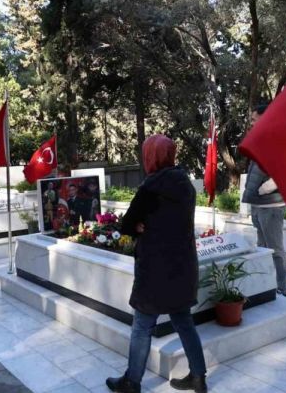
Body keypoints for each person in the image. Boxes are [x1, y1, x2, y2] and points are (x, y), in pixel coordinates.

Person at [106, 135, 207, 393]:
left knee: (142, 326)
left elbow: (127, 224)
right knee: (184, 322)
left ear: (151, 156)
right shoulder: (186, 184)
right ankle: (198, 378)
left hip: (155, 270)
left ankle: (132, 382)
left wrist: (140, 225)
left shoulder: (151, 187)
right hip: (182, 267)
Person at [242, 102, 286, 297]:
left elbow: (283, 172)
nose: (252, 123)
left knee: (275, 249)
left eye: (254, 119)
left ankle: (282, 287)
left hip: (271, 205)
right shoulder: (262, 139)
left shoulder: (276, 139)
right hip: (259, 205)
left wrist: (261, 190)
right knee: (262, 249)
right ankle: (268, 286)